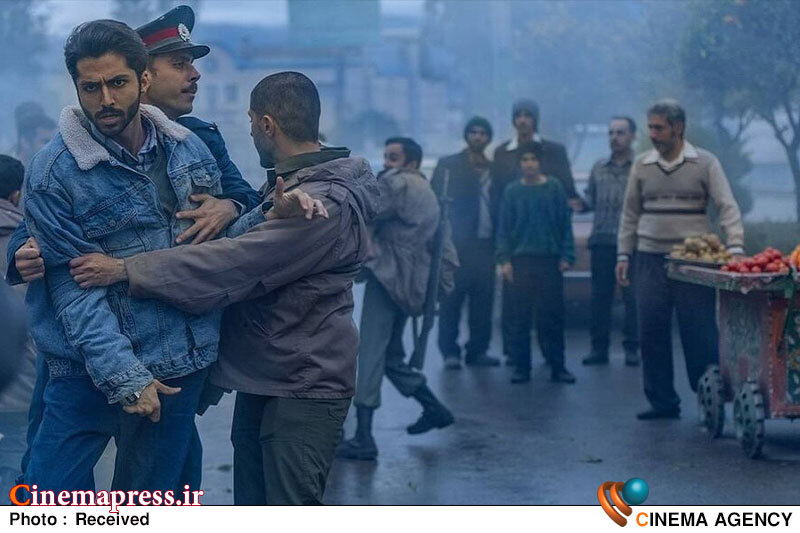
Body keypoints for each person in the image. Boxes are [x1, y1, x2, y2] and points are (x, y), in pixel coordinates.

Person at [69, 72, 381, 505]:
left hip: (303, 382)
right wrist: (235, 207)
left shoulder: (322, 202)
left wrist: (126, 269)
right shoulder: (292, 186)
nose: (251, 132)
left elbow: (234, 262)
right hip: (270, 376)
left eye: (252, 122)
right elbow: (244, 236)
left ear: (267, 124)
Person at [4, 5, 269, 485]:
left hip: (175, 360)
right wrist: (18, 251)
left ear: (141, 80)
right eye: (91, 87)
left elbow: (218, 237)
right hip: (82, 360)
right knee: (48, 494)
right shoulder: (55, 169)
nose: (106, 99)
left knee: (157, 497)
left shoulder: (191, 144)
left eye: (118, 83)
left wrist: (254, 210)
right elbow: (67, 277)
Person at [616, 99, 744, 420]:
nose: (653, 134)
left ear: (678, 127)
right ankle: (662, 402)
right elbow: (629, 214)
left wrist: (736, 247)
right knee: (651, 330)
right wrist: (623, 254)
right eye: (650, 128)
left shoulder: (705, 162)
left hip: (694, 262)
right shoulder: (642, 165)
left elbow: (726, 206)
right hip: (649, 258)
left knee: (699, 331)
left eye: (659, 128)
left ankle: (709, 402)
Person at [336, 137, 455, 461]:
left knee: (370, 354)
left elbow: (365, 206)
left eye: (394, 157)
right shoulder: (425, 188)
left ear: (411, 163)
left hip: (388, 279)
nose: (387, 164)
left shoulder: (398, 183)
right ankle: (434, 408)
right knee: (390, 356)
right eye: (386, 157)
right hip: (409, 283)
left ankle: (364, 437)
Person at [492, 99, 580, 363]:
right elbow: (498, 200)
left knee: (550, 311)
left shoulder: (554, 151)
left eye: (527, 115)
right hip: (517, 243)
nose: (522, 120)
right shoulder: (502, 153)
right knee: (515, 309)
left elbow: (567, 196)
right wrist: (503, 254)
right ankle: (516, 357)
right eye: (518, 115)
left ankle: (554, 360)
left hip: (547, 242)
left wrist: (564, 249)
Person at [433, 117, 501, 369]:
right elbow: (434, 202)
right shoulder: (449, 165)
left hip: (486, 245)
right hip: (456, 245)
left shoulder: (494, 169)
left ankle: (477, 350)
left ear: (488, 138)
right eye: (473, 132)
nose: (478, 136)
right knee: (451, 301)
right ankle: (449, 351)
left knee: (483, 302)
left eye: (483, 133)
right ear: (466, 135)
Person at [581, 117, 640, 367]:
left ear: (632, 136)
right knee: (600, 298)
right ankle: (599, 349)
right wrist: (575, 202)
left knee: (632, 298)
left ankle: (632, 348)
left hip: (632, 243)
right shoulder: (598, 167)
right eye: (611, 133)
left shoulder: (640, 167)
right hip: (602, 240)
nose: (614, 137)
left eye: (620, 133)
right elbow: (589, 200)